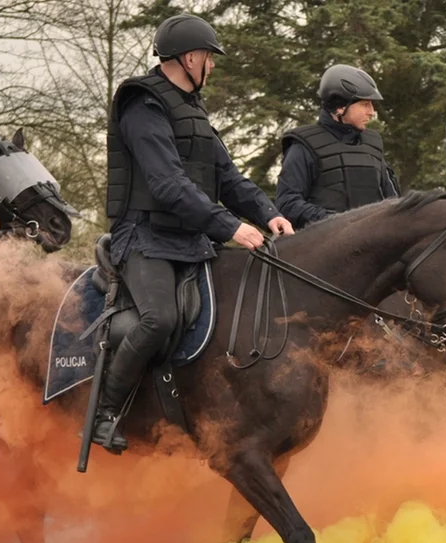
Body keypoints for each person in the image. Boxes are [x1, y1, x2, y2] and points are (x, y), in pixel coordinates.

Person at [94, 13, 294, 452]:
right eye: (209, 57)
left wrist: (267, 213)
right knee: (159, 318)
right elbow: (167, 185)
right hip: (144, 238)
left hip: (191, 240)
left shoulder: (195, 112)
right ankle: (106, 413)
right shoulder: (141, 105)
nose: (213, 66)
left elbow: (229, 178)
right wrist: (231, 227)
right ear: (189, 58)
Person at [276, 64, 399, 228]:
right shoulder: (304, 146)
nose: (371, 111)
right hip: (324, 247)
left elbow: (393, 201)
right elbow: (288, 204)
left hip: (373, 245)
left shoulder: (373, 144)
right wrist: (340, 223)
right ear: (340, 107)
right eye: (365, 104)